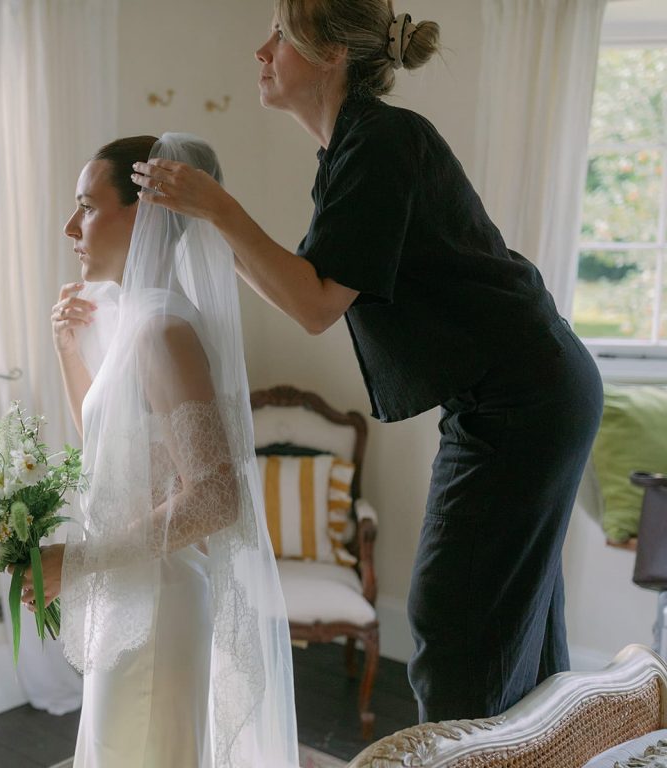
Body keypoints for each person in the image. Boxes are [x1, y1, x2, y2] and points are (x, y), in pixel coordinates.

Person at [129, 1, 604, 723]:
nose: (261, 51)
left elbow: (314, 303)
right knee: (512, 625)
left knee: (452, 624)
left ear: (329, 55)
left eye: (279, 37)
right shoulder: (357, 148)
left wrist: (219, 210)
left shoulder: (383, 142)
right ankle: (539, 746)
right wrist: (212, 217)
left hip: (523, 397)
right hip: (528, 390)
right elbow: (304, 291)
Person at [19, 134, 299, 766]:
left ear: (141, 212)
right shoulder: (132, 318)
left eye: (87, 206)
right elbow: (112, 452)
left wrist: (79, 560)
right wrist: (68, 350)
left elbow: (216, 497)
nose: (71, 226)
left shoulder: (163, 331)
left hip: (158, 606)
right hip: (129, 597)